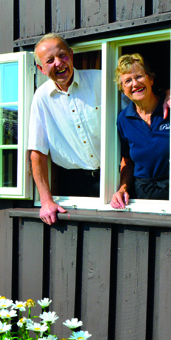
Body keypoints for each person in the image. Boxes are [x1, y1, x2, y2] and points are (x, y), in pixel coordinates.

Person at [28, 34, 104, 225]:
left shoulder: (100, 80)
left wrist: (166, 94)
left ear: (71, 55)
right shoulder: (41, 97)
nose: (59, 63)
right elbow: (37, 152)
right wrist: (46, 200)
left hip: (116, 176)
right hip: (75, 185)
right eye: (50, 60)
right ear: (41, 69)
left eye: (62, 55)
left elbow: (138, 107)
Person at [110, 53, 170, 208]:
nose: (135, 83)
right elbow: (128, 162)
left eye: (139, 76)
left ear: (151, 79)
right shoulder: (124, 119)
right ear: (122, 89)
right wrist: (122, 189)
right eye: (128, 81)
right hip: (141, 197)